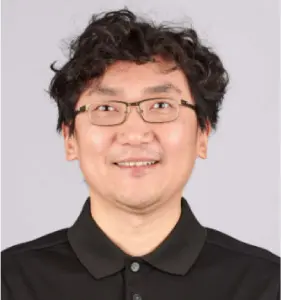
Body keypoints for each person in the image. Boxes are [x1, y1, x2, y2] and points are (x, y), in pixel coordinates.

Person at [1, 8, 279, 300]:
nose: (135, 133)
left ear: (202, 134)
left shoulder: (266, 285)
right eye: (106, 108)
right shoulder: (10, 282)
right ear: (70, 139)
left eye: (160, 106)